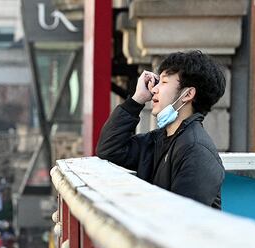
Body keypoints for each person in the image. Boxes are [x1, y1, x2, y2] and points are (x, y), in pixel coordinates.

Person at [96, 50, 227, 208]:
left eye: (164, 82)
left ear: (187, 94)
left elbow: (184, 219)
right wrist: (137, 99)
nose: (153, 90)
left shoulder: (196, 150)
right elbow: (109, 149)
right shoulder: (158, 140)